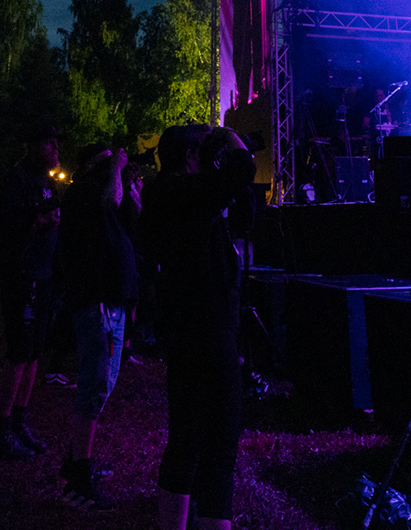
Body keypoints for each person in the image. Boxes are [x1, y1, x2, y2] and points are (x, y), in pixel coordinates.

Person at [144, 124, 256, 530]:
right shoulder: (184, 194)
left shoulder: (164, 192)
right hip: (209, 331)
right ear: (191, 156)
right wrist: (229, 137)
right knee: (219, 446)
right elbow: (243, 168)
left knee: (185, 438)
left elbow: (243, 211)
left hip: (184, 331)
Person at [52, 143, 140, 509]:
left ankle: (77, 457)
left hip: (112, 300)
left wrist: (129, 181)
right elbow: (110, 202)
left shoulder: (106, 191)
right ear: (91, 166)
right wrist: (116, 170)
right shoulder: (84, 192)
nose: (113, 166)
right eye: (106, 161)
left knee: (105, 381)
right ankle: (79, 474)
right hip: (95, 300)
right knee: (95, 383)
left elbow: (134, 212)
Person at [0, 123, 63, 459]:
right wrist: (37, 222)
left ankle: (19, 420)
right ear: (32, 146)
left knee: (34, 350)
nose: (55, 149)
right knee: (19, 349)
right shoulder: (16, 180)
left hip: (43, 272)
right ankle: (0, 429)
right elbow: (6, 224)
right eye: (49, 143)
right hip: (22, 273)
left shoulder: (46, 180)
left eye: (56, 143)